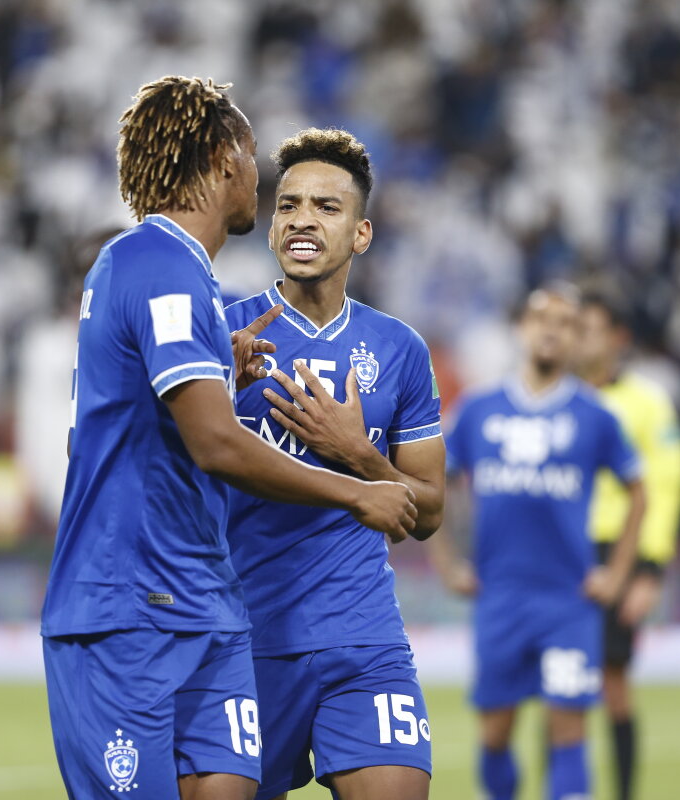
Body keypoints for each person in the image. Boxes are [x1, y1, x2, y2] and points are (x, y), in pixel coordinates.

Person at [40, 78, 418, 800]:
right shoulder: (160, 265)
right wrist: (357, 491)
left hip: (204, 605)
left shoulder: (177, 275)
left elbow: (109, 430)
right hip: (128, 606)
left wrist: (216, 371)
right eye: (251, 157)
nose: (259, 179)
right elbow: (215, 444)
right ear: (222, 161)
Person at [223, 128, 444, 800]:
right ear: (271, 228)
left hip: (363, 636)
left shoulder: (399, 349)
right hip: (243, 636)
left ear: (361, 233)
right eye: (288, 205)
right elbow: (161, 477)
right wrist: (220, 392)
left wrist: (358, 454)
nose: (302, 220)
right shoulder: (224, 333)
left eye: (326, 207)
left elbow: (429, 511)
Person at [431, 283, 646, 800]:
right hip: (499, 598)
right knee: (495, 735)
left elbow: (639, 492)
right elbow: (435, 481)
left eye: (566, 323)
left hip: (568, 602)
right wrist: (447, 562)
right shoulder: (479, 409)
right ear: (521, 330)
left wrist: (618, 573)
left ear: (577, 339)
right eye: (542, 319)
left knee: (568, 730)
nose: (552, 330)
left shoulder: (595, 415)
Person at [577, 290, 680, 800]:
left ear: (618, 338)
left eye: (591, 329)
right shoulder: (556, 397)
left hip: (616, 552)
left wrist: (651, 568)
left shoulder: (647, 402)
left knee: (614, 684)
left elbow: (667, 484)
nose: (580, 339)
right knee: (556, 687)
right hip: (559, 553)